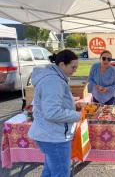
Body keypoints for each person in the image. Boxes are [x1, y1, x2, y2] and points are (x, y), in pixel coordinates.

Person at [28, 49, 81, 177]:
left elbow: (50, 102)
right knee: (60, 173)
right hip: (54, 137)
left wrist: (72, 103)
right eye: (73, 67)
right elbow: (52, 112)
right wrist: (79, 115)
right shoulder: (53, 80)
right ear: (62, 65)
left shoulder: (53, 77)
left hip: (50, 134)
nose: (75, 70)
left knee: (50, 171)